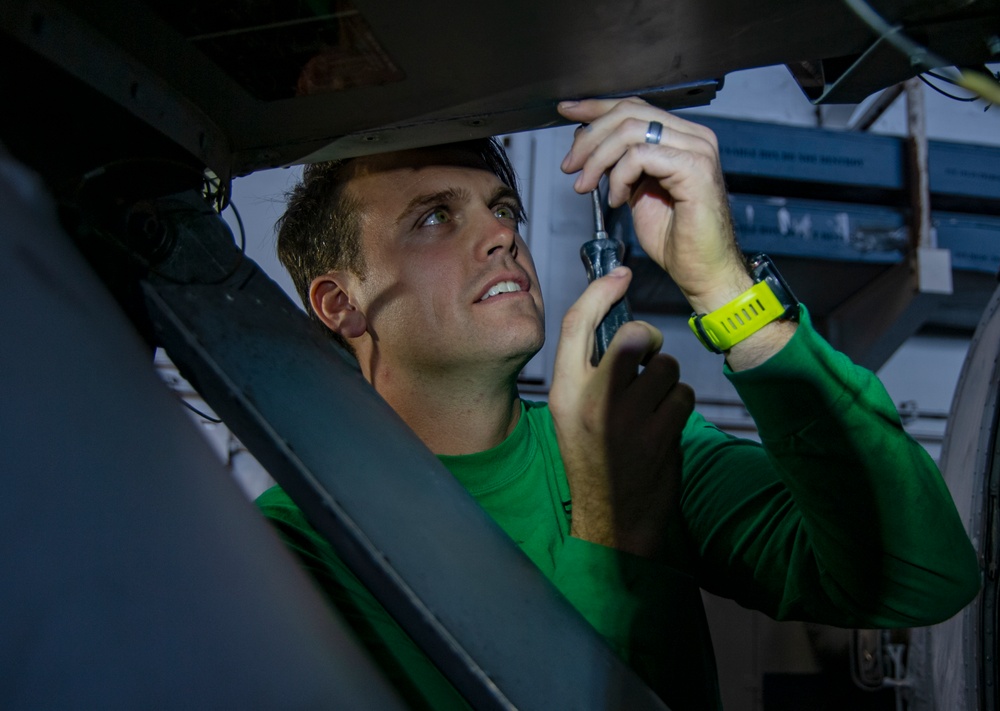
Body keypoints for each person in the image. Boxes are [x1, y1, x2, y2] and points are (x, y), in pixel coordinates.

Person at [257, 97, 980, 710]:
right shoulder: (293, 547)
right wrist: (615, 527)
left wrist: (730, 293)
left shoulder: (639, 441)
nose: (502, 233)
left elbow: (924, 575)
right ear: (341, 304)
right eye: (434, 218)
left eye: (501, 206)